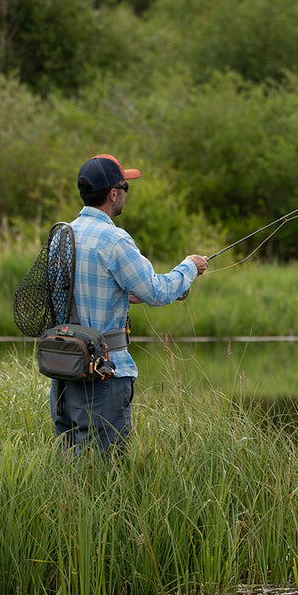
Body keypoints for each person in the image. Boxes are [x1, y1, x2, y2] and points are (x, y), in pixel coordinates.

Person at [52, 154, 208, 456]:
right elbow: (157, 292)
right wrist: (189, 267)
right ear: (113, 193)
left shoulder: (62, 234)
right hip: (104, 375)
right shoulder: (114, 239)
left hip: (63, 372)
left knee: (70, 473)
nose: (125, 194)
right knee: (107, 473)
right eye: (125, 187)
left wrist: (132, 293)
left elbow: (85, 290)